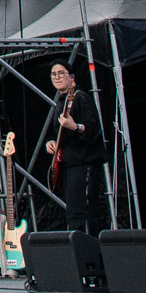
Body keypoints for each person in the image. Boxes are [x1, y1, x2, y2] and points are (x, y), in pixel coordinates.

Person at [43, 61, 110, 236]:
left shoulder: (80, 98)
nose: (57, 77)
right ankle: (78, 248)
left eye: (61, 73)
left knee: (84, 211)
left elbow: (94, 131)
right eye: (53, 74)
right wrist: (51, 142)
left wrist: (75, 127)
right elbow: (56, 133)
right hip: (69, 163)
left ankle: (90, 247)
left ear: (72, 77)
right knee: (73, 213)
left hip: (84, 162)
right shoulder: (60, 102)